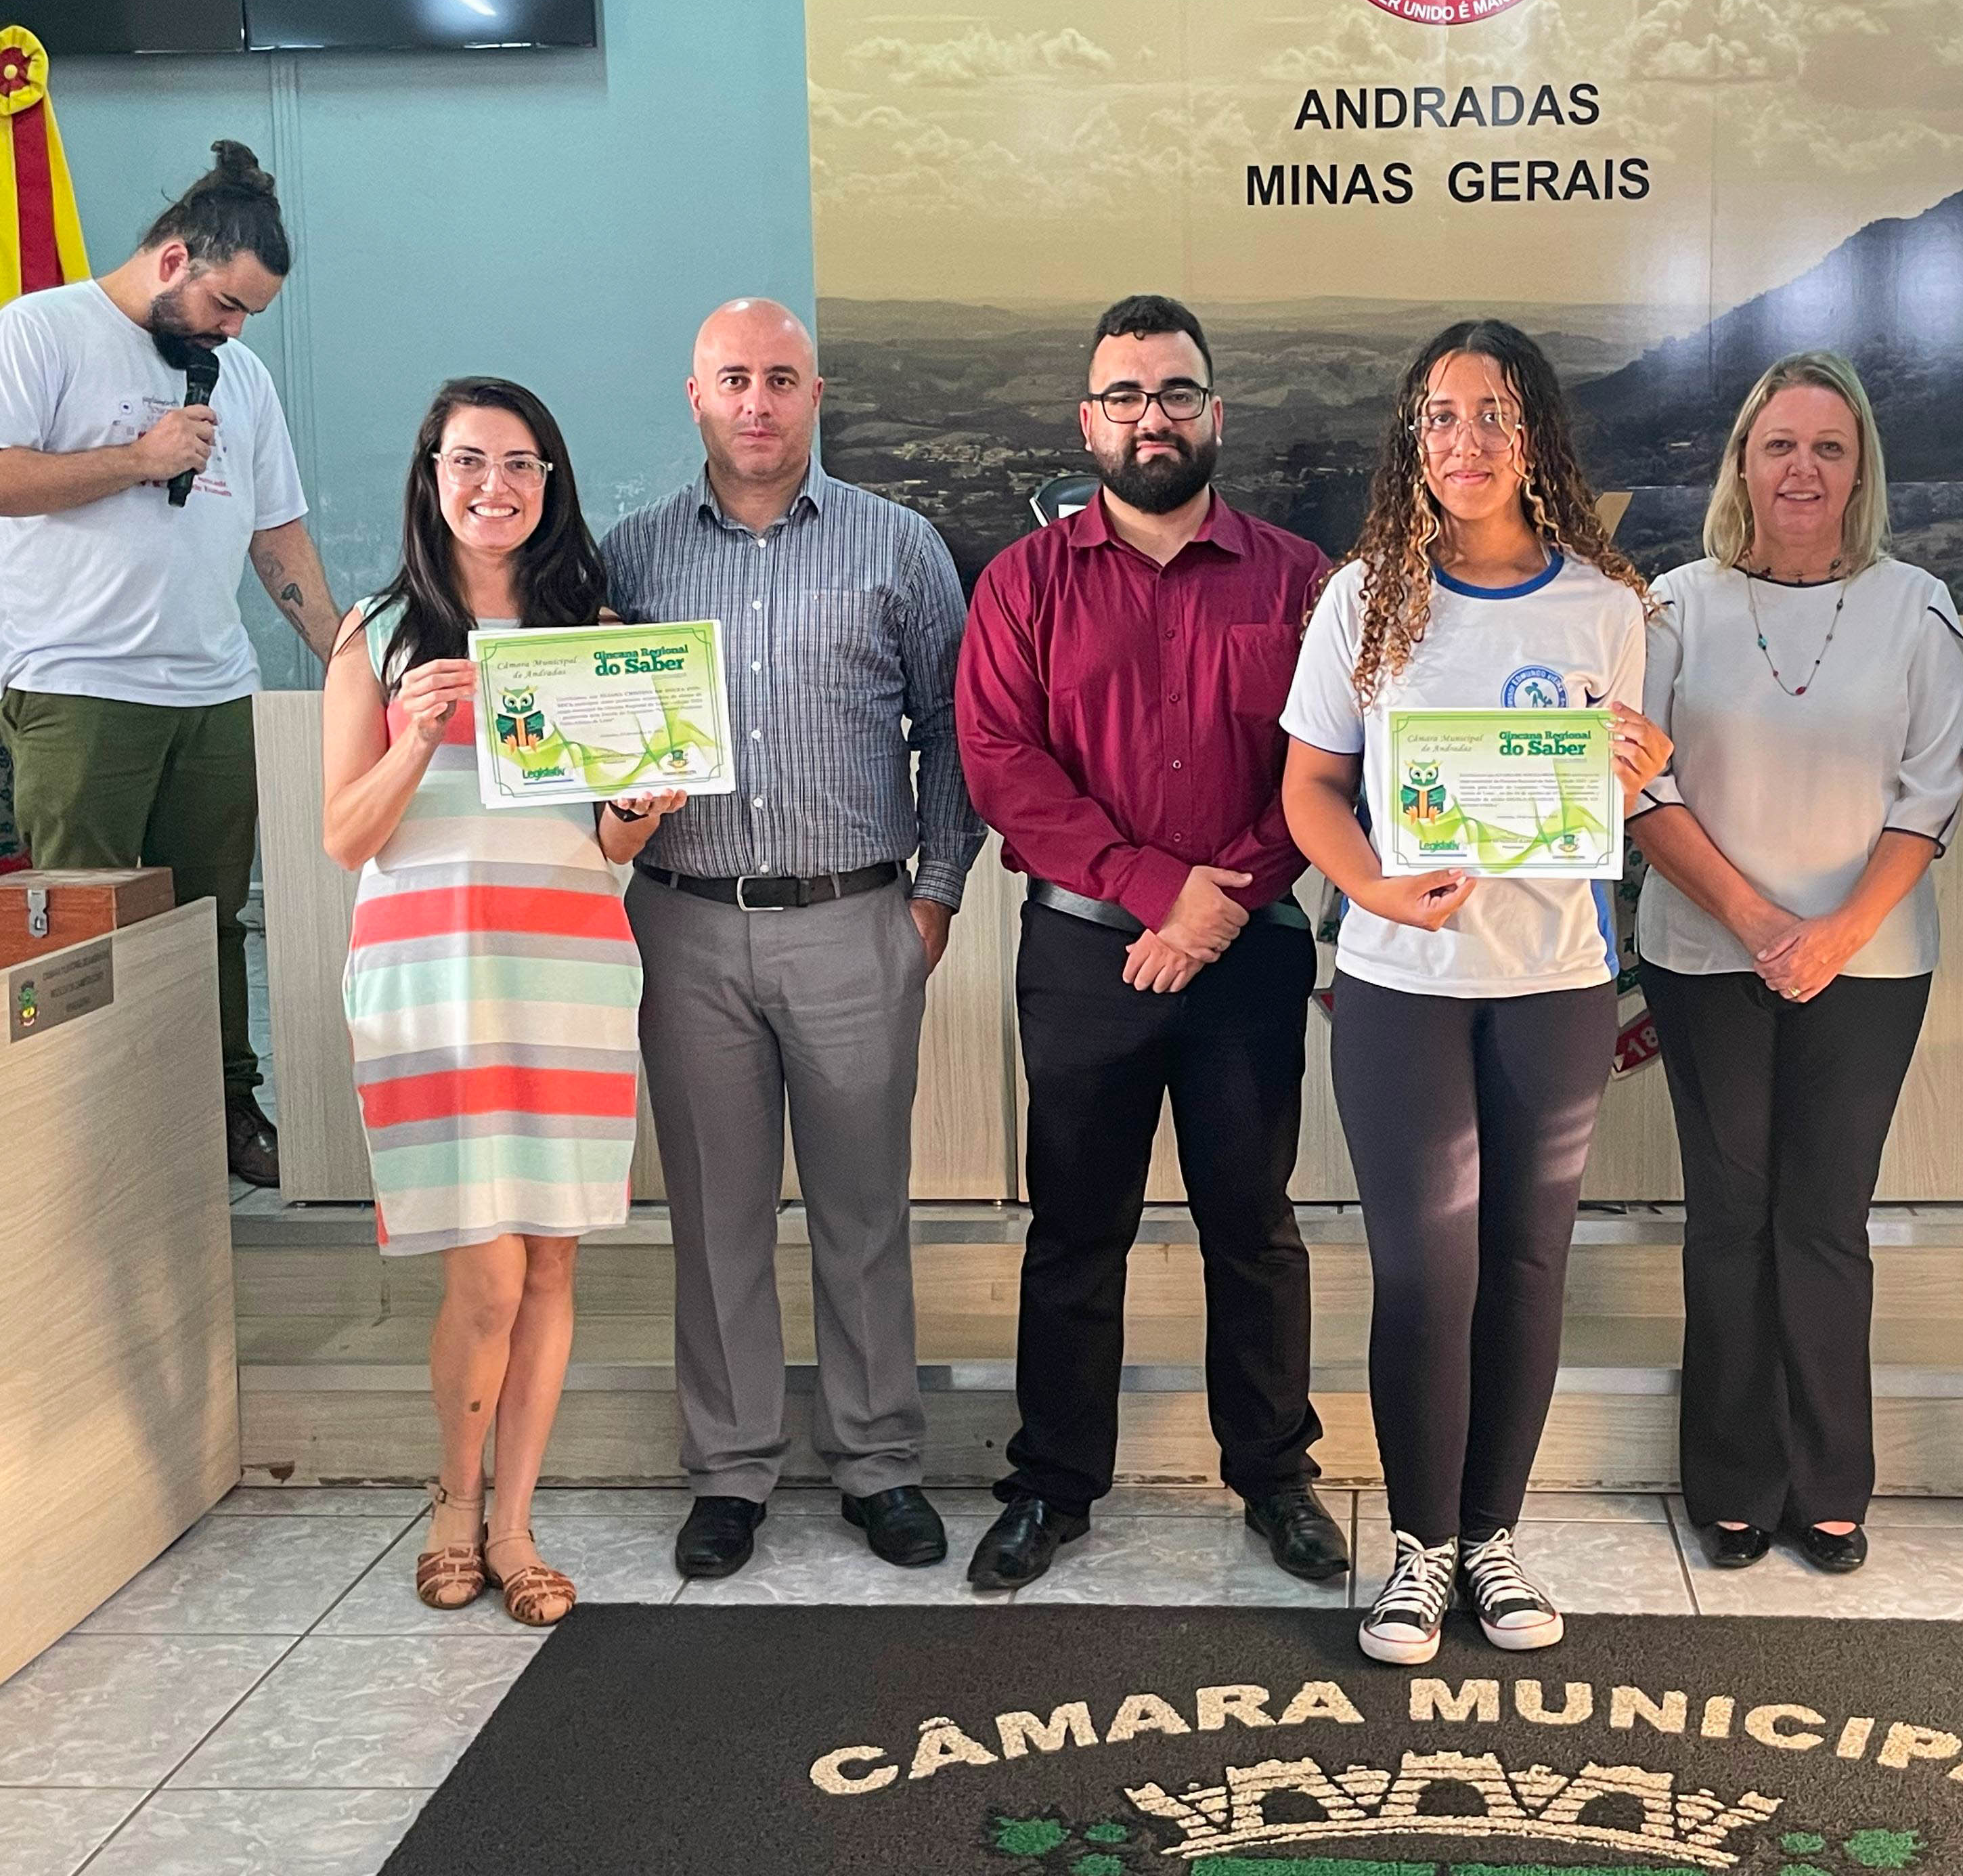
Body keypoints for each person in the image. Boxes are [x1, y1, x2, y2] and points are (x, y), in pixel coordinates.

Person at [1281, 318, 1672, 1666]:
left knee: (1525, 1262)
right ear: (1414, 438)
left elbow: (1616, 790)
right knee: (1423, 1269)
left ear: (1535, 436)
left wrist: (1635, 766)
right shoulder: (1364, 598)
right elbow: (1309, 789)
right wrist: (1374, 890)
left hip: (1554, 981)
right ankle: (1420, 1547)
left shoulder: (1606, 608)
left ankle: (1493, 1539)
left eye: (1494, 414)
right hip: (1401, 982)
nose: (1466, 441)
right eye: (1441, 416)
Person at [953, 295, 1346, 1592]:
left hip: (1249, 950)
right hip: (1084, 957)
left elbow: (1328, 763)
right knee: (1076, 1229)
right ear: (1090, 423)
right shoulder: (1023, 583)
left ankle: (1277, 1478)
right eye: (1124, 397)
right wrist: (1154, 891)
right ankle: (1053, 1485)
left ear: (1214, 414)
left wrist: (1217, 903)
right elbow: (1003, 765)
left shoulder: (1300, 581)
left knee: (1255, 1226)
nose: (1151, 418)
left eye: (1175, 393)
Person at [604, 299, 984, 1583]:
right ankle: (730, 1471)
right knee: (715, 1215)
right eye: (733, 380)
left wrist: (935, 899)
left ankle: (878, 1462)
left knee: (862, 1210)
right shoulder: (632, 558)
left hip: (855, 921)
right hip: (686, 925)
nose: (756, 403)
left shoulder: (900, 545)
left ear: (817, 395)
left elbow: (954, 729)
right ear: (695, 396)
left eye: (780, 379)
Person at [321, 377, 680, 1625]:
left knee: (551, 1267)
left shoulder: (596, 635)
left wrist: (640, 806)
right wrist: (418, 736)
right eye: (470, 461)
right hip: (433, 986)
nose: (496, 486)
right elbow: (344, 836)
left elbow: (613, 841)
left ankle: (516, 1524)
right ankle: (452, 1502)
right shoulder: (375, 636)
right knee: (483, 1277)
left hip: (568, 975)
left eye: (522, 463)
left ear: (550, 483)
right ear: (432, 476)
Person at [0, 140, 340, 1187]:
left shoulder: (242, 379)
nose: (234, 330)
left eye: (250, 314)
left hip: (212, 690)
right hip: (78, 686)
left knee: (212, 921)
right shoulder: (40, 330)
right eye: (226, 303)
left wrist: (347, 655)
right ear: (173, 260)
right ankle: (80, 1138)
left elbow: (279, 536)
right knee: (78, 928)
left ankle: (223, 1109)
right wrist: (138, 459)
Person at [1629, 351, 1963, 1575]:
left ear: (1861, 469)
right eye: (1780, 446)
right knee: (1730, 1217)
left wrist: (1830, 934)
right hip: (1703, 952)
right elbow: (1642, 783)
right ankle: (1732, 1480)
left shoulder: (1918, 607)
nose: (1803, 470)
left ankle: (1828, 1483)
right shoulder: (1677, 605)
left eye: (1829, 447)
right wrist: (1757, 919)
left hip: (1869, 964)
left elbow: (1932, 792)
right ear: (1743, 465)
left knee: (1825, 1219)